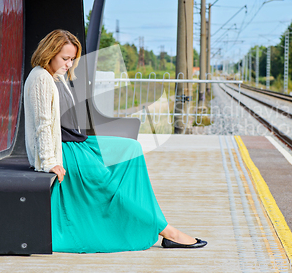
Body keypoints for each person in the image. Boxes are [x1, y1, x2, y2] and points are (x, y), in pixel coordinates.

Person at [24, 29, 207, 253]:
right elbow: (42, 124)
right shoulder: (41, 78)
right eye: (65, 58)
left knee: (132, 149)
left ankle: (158, 223)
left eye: (72, 59)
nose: (69, 64)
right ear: (49, 52)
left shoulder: (57, 76)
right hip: (63, 151)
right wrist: (48, 162)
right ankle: (168, 231)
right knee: (106, 182)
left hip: (78, 143)